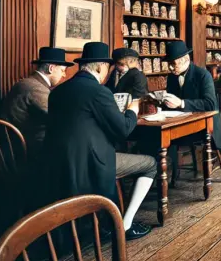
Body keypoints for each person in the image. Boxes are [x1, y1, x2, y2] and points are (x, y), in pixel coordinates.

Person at [43, 42, 153, 240]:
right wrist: (132, 110)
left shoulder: (57, 91)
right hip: (91, 162)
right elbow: (123, 130)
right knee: (151, 164)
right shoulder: (99, 91)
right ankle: (124, 226)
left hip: (57, 162)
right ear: (102, 67)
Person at [0, 47, 72, 151]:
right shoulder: (36, 88)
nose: (64, 75)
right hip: (24, 148)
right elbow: (58, 117)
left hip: (12, 142)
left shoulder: (28, 82)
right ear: (51, 68)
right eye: (62, 70)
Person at [162, 41, 221, 151]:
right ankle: (171, 167)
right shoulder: (171, 77)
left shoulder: (203, 75)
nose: (170, 68)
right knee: (158, 138)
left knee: (166, 139)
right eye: (169, 64)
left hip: (204, 128)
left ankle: (174, 166)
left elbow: (210, 104)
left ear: (185, 59)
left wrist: (181, 103)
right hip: (182, 124)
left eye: (173, 64)